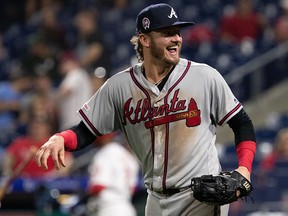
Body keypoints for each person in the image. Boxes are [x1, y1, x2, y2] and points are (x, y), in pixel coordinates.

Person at [36, 3, 257, 216]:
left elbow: (242, 123)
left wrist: (244, 169)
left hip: (199, 198)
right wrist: (61, 139)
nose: (176, 38)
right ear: (144, 39)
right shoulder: (119, 87)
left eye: (177, 32)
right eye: (167, 33)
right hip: (155, 200)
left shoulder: (205, 76)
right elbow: (86, 131)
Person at [86, 132, 139, 216]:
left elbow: (98, 186)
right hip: (127, 208)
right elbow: (134, 188)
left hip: (108, 209)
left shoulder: (103, 154)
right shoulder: (128, 155)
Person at [56, 50, 92, 130]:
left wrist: (50, 99)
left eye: (64, 63)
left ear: (71, 62)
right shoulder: (82, 74)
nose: (61, 66)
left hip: (75, 123)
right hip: (81, 122)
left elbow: (65, 91)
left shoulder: (75, 73)